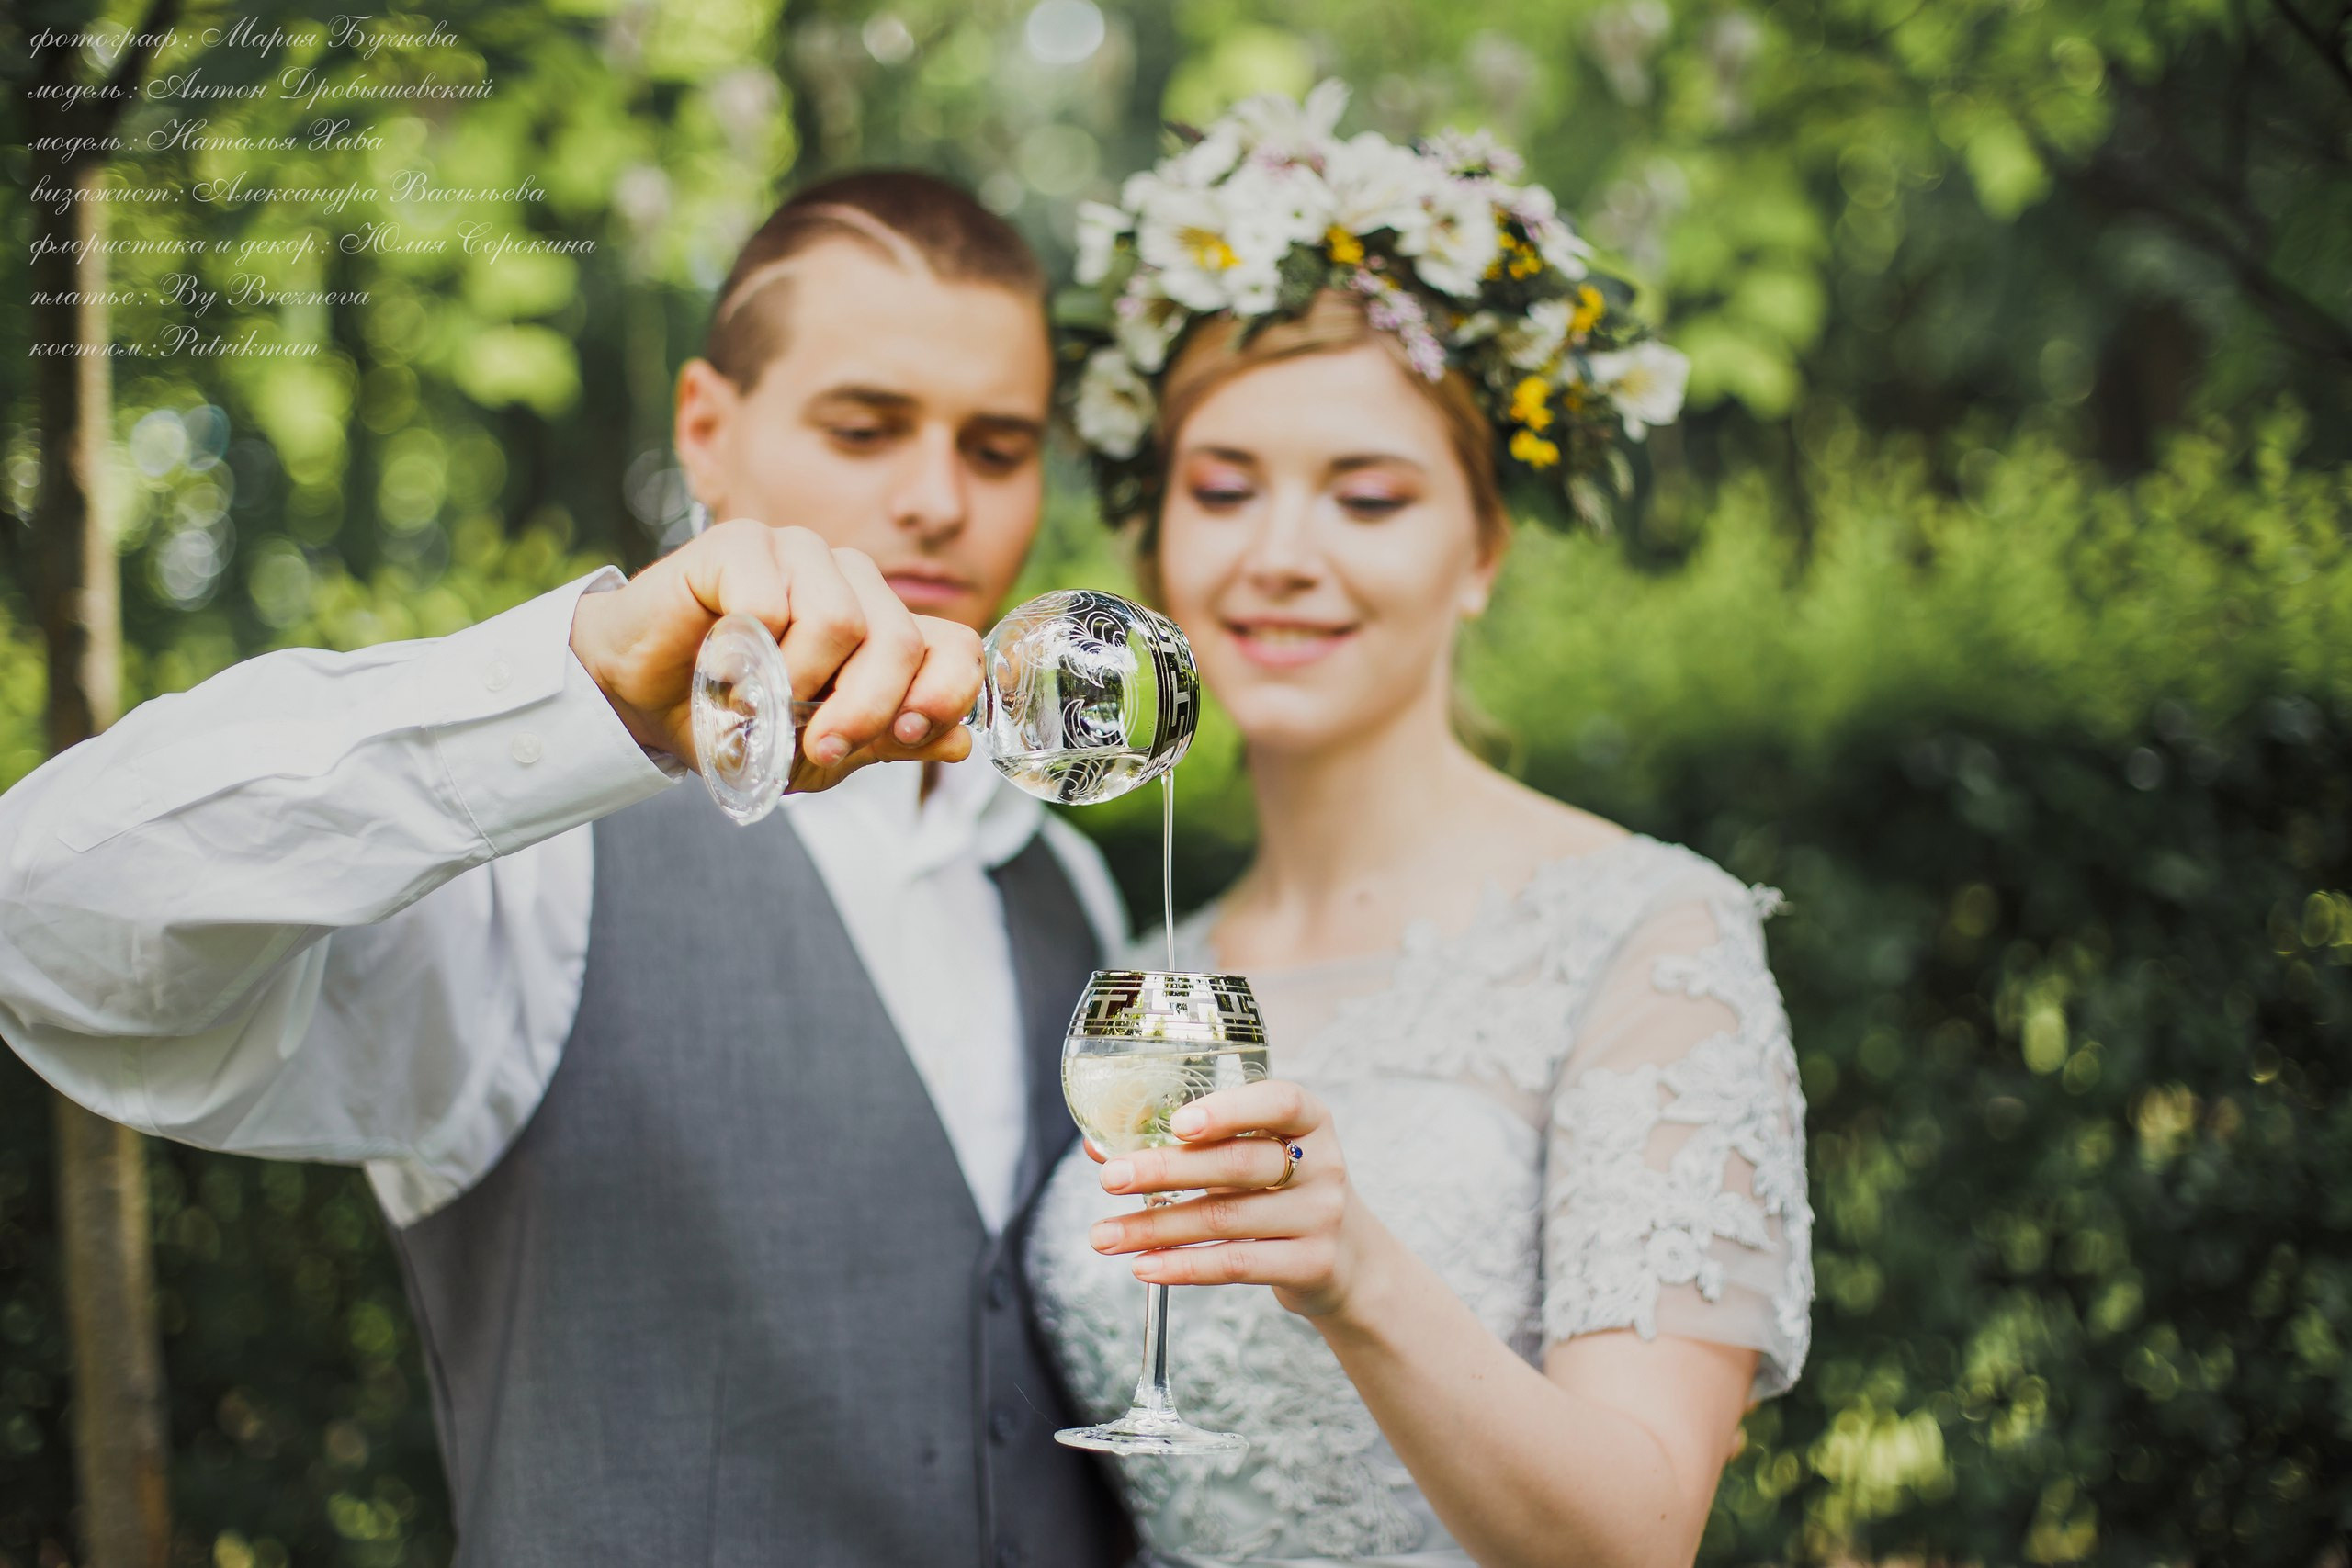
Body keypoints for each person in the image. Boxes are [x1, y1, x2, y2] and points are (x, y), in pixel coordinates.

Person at [0, 171, 1131, 1566]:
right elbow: (42, 924)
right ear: (707, 430)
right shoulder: (526, 865)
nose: (938, 499)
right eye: (866, 425)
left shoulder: (1068, 886)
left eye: (1000, 446)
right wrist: (575, 697)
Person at [1025, 87, 1813, 1566]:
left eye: (1368, 497)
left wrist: (1358, 1277)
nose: (1280, 556)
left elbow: (1639, 1541)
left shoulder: (1647, 936)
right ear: (1157, 546)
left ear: (1481, 550)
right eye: (1224, 489)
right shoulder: (1143, 964)